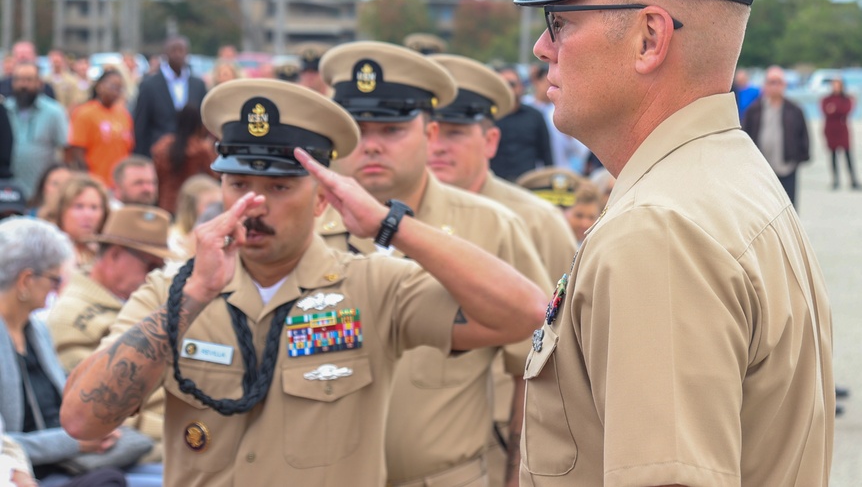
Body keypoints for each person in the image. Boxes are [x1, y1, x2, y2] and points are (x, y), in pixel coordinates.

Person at [60, 78, 546, 486]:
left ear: (321, 200)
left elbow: (525, 312)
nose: (253, 205)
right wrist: (194, 296)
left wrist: (390, 225)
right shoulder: (173, 291)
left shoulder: (374, 285)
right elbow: (82, 422)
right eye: (238, 185)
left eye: (279, 187)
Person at [512, 0, 834, 486]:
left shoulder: (659, 230)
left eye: (558, 21)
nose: (540, 47)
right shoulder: (726, 180)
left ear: (650, 38)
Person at [318, 42, 549, 487]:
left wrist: (518, 476)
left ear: (429, 133)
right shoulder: (301, 229)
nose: (371, 146)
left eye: (391, 130)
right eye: (358, 130)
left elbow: (534, 367)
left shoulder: (493, 226)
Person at [426, 53, 577, 486]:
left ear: (490, 141)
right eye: (429, 131)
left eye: (454, 134)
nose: (438, 146)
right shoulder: (385, 219)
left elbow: (558, 356)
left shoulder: (534, 223)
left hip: (493, 448)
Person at [0, 217, 147, 487]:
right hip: (31, 475)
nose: (60, 290)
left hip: (71, 463)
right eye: (56, 280)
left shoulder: (36, 329)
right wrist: (75, 442)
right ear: (25, 281)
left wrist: (97, 428)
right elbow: (4, 447)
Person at [47, 206, 179, 470]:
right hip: (140, 456)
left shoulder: (139, 301)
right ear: (116, 254)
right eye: (151, 265)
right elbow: (99, 411)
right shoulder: (71, 316)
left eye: (163, 267)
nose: (156, 275)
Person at [741, 66, 811, 208]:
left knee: (788, 208)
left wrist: (798, 158)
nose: (774, 86)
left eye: (778, 82)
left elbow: (803, 135)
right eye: (771, 82)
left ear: (784, 85)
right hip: (761, 171)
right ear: (764, 85)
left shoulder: (795, 110)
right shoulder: (754, 110)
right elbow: (745, 136)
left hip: (786, 167)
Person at [131, 36, 208, 157]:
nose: (177, 54)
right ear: (165, 53)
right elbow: (141, 124)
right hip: (158, 153)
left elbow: (203, 120)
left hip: (191, 154)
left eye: (181, 50)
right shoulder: (149, 85)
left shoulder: (197, 84)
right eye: (173, 50)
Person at [5, 62, 69, 197]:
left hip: (41, 191)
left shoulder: (54, 112)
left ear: (39, 83)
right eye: (19, 80)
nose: (24, 85)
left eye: (29, 80)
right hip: (8, 190)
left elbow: (66, 149)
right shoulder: (4, 109)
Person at [66, 69, 135, 188]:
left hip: (119, 184)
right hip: (96, 182)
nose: (116, 91)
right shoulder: (84, 113)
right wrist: (88, 181)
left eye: (120, 88)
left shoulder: (124, 115)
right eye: (113, 85)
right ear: (99, 86)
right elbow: (77, 151)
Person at [489, 64, 553, 181]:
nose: (507, 89)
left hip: (527, 185)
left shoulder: (535, 116)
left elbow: (546, 155)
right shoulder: (489, 117)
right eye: (502, 85)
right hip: (495, 184)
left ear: (521, 86)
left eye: (511, 84)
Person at [149, 105, 217, 215]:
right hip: (189, 208)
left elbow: (156, 175)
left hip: (164, 204)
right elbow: (212, 177)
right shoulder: (201, 150)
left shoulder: (163, 147)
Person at [43, 173, 109, 279]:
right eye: (79, 206)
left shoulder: (107, 255)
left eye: (94, 207)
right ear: (60, 210)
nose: (88, 215)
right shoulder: (44, 250)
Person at [164, 174, 222, 273]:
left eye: (220, 204)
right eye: (210, 205)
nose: (216, 210)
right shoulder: (172, 241)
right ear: (190, 208)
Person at [821, 77, 862, 190]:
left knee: (848, 155)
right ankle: (835, 181)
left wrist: (834, 109)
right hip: (831, 129)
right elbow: (825, 110)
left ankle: (853, 180)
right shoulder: (827, 99)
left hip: (842, 130)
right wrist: (836, 110)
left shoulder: (846, 99)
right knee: (833, 155)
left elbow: (846, 110)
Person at [46, 49, 90, 114]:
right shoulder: (45, 80)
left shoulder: (72, 80)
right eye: (54, 61)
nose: (56, 64)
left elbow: (75, 101)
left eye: (58, 61)